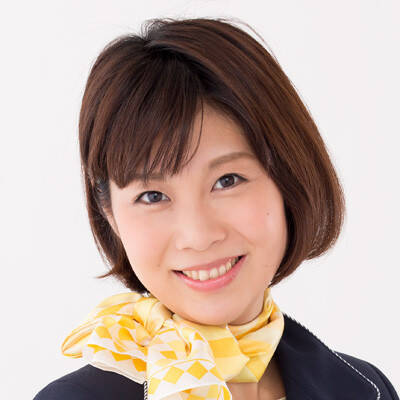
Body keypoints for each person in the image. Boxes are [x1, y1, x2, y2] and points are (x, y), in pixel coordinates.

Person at [33, 17, 398, 400]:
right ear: (110, 214)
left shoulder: (364, 387)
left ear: (289, 179)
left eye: (227, 181)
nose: (199, 235)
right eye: (153, 196)